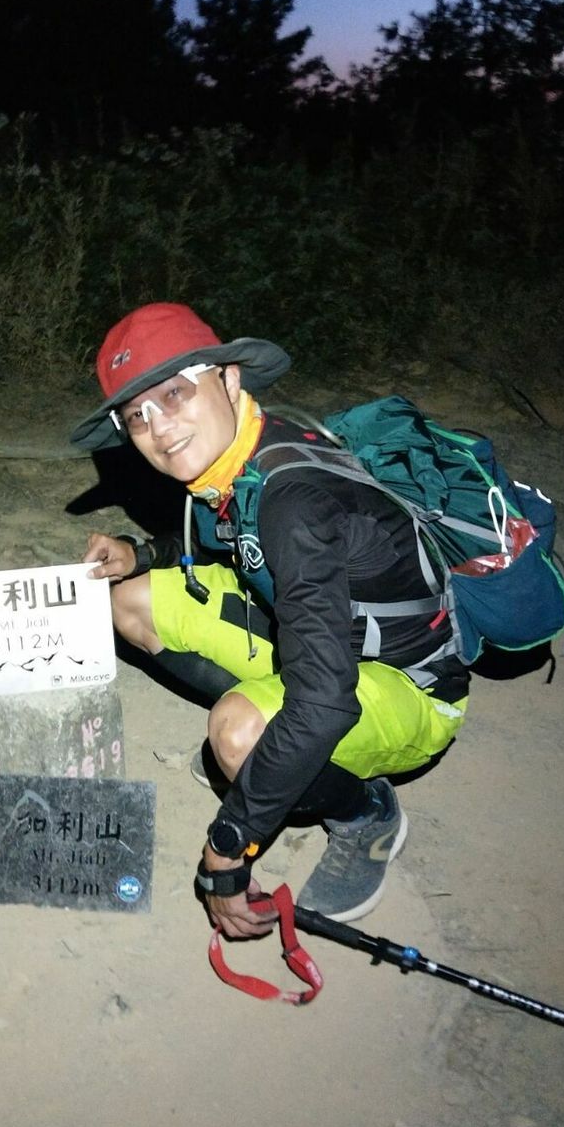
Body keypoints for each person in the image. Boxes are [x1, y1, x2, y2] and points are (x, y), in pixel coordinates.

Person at [73, 303, 470, 939]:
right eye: (136, 415)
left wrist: (228, 848)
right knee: (130, 600)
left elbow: (323, 702)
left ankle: (367, 814)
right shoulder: (246, 449)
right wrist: (139, 554)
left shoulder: (293, 501)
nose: (158, 428)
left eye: (174, 394)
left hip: (410, 684)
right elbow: (222, 542)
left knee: (238, 735)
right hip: (316, 635)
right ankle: (271, 752)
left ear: (229, 379)